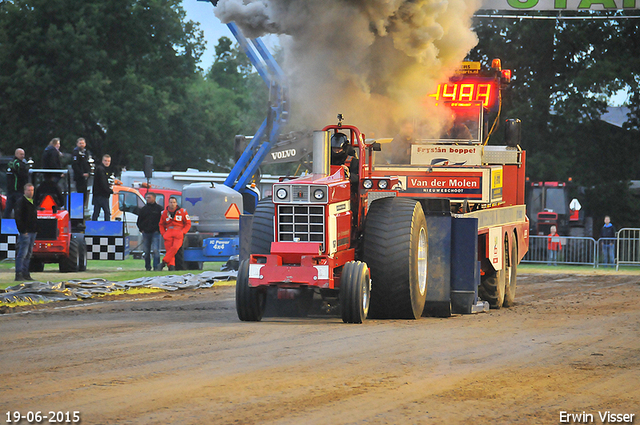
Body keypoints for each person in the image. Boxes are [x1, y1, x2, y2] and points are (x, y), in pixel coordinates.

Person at [159, 196, 191, 271]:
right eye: (171, 202)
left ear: (176, 203)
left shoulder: (182, 212)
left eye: (174, 202)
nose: (172, 204)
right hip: (168, 233)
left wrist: (183, 232)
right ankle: (171, 266)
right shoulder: (164, 213)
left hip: (178, 232)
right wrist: (163, 233)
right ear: (168, 203)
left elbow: (188, 223)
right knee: (170, 250)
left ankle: (163, 263)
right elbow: (161, 224)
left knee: (175, 248)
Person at [14, 183, 37, 281]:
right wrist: (23, 231)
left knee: (28, 253)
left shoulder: (33, 202)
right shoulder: (21, 202)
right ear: (24, 191)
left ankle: (26, 273)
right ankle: (18, 273)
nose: (30, 192)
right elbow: (18, 217)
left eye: (32, 190)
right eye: (28, 190)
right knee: (22, 253)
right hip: (26, 232)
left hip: (33, 231)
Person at [137, 192, 164, 271]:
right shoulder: (143, 209)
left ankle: (156, 267)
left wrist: (159, 229)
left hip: (156, 232)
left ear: (154, 198)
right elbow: (139, 221)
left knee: (156, 250)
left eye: (149, 197)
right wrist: (141, 229)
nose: (147, 199)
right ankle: (147, 267)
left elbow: (163, 221)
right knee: (146, 251)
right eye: (147, 197)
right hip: (146, 233)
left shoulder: (159, 209)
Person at [3, 148, 30, 218]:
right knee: (19, 208)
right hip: (18, 189)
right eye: (21, 154)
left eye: (23, 154)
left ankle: (5, 224)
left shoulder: (10, 163)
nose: (23, 156)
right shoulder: (18, 164)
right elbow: (23, 175)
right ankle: (19, 223)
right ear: (16, 154)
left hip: (10, 190)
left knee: (8, 208)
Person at [92, 155, 113, 221]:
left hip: (97, 195)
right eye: (105, 161)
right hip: (102, 195)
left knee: (96, 212)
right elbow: (103, 183)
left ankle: (93, 226)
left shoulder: (99, 169)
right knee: (107, 212)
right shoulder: (101, 170)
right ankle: (107, 227)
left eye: (109, 161)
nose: (107, 163)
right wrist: (110, 191)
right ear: (102, 161)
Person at [72, 138, 91, 207]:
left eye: (82, 143)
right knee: (80, 193)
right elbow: (75, 165)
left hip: (86, 177)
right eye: (80, 143)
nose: (81, 145)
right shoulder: (76, 152)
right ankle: (78, 208)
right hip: (79, 177)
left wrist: (89, 172)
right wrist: (81, 174)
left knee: (85, 193)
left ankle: (83, 208)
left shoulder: (86, 153)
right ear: (77, 144)